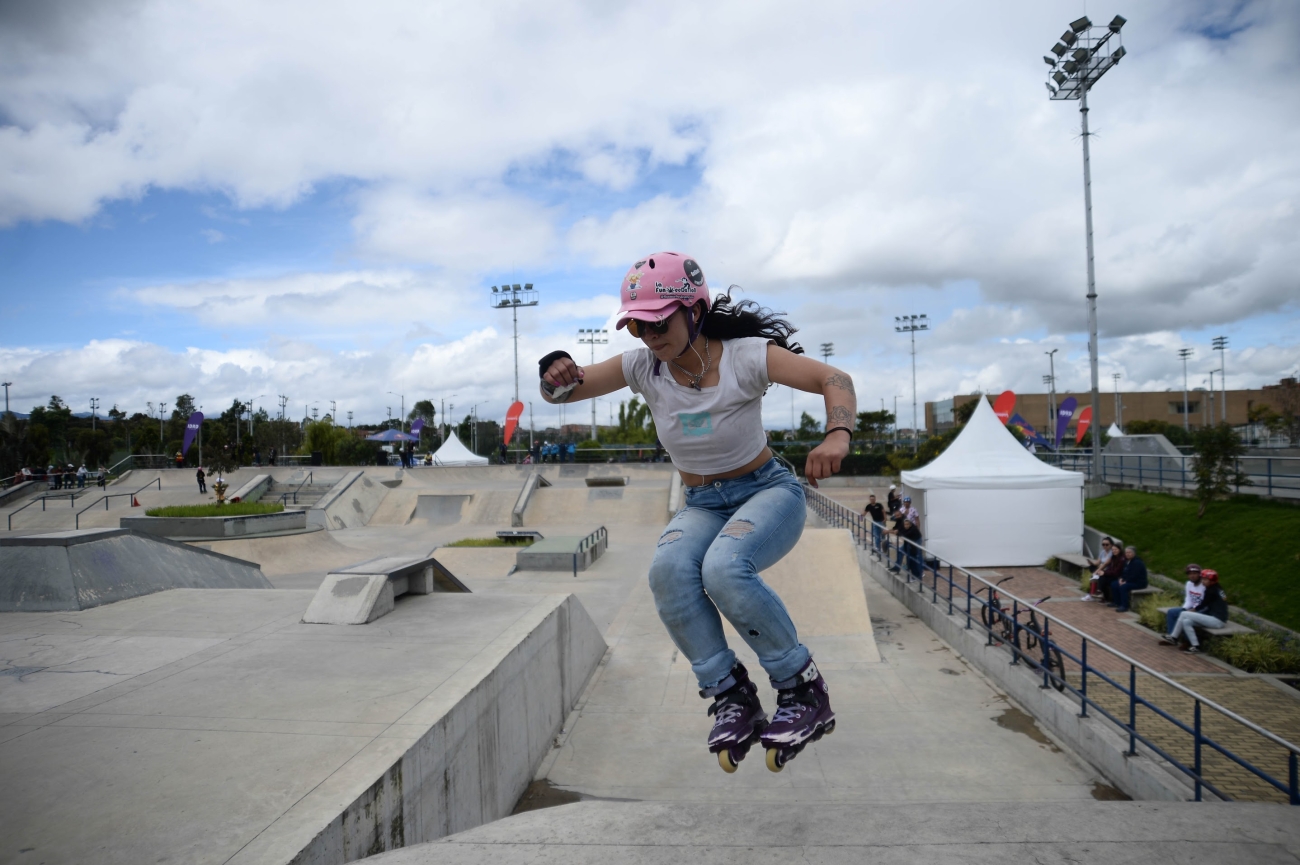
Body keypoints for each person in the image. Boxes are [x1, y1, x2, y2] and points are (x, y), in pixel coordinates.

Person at [538, 251, 851, 774]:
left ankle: (803, 690)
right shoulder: (642, 365)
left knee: (725, 568)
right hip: (703, 502)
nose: (647, 336)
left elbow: (834, 378)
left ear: (694, 311)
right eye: (637, 325)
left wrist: (837, 433)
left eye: (658, 322)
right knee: (666, 572)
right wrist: (554, 368)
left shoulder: (748, 356)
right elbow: (561, 394)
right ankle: (732, 696)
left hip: (767, 492)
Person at [1164, 570, 1228, 653]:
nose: (1203, 582)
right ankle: (1195, 646)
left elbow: (1203, 604)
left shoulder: (1211, 591)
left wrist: (1192, 610)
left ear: (1212, 581)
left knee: (1183, 613)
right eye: (1202, 579)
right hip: (1217, 618)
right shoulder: (1218, 588)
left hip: (1217, 620)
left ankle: (1173, 637)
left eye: (1205, 580)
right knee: (1186, 621)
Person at [1164, 564, 1205, 638]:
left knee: (1185, 618)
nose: (1192, 576)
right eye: (1190, 574)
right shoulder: (1189, 584)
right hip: (1191, 608)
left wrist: (1193, 609)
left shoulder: (1204, 586)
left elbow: (1203, 603)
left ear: (1199, 574)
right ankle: (1171, 636)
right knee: (1171, 612)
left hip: (1200, 609)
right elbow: (1188, 599)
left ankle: (1187, 641)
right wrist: (1184, 608)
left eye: (1195, 574)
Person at [1111, 545, 1148, 612]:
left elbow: (1135, 575)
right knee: (1114, 584)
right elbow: (1123, 572)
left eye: (1129, 552)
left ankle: (1124, 606)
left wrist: (1125, 581)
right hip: (1129, 580)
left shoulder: (1137, 562)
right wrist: (1121, 579)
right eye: (1126, 552)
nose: (1127, 554)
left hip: (1138, 582)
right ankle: (1117, 602)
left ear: (1134, 553)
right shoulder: (1127, 561)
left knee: (1123, 587)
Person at [1082, 537, 1115, 601]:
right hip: (1101, 568)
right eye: (1103, 544)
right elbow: (1098, 562)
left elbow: (1105, 564)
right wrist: (1092, 563)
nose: (1105, 546)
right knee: (1091, 568)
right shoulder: (1102, 552)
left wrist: (1097, 571)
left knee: (1095, 576)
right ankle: (1091, 592)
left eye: (1107, 544)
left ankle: (1091, 594)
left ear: (1111, 545)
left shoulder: (1112, 553)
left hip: (1106, 570)